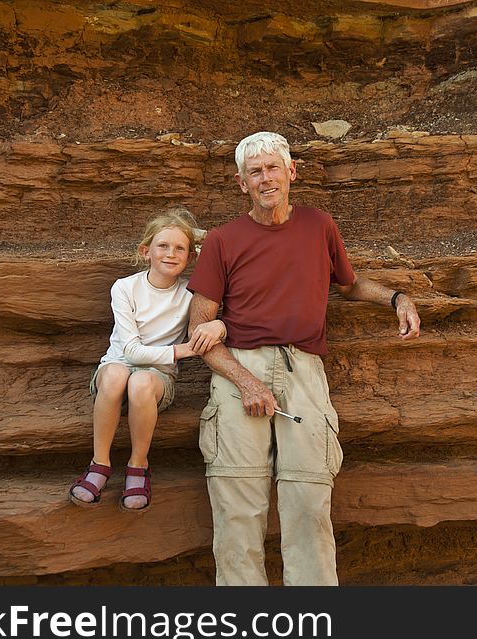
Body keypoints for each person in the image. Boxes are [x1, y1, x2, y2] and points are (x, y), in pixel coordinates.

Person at [186, 131, 421, 585]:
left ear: (291, 172)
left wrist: (397, 298)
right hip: (240, 371)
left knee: (309, 502)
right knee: (238, 507)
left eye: (274, 167)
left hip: (304, 372)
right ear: (241, 183)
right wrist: (246, 382)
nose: (266, 178)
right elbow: (201, 330)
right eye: (255, 172)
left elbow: (348, 285)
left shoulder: (319, 226)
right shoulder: (222, 239)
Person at [68, 207, 226, 512]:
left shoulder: (191, 295)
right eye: (162, 246)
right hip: (116, 366)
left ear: (192, 257)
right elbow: (131, 352)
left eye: (181, 248)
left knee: (140, 381)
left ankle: (138, 465)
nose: (171, 253)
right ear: (146, 251)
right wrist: (182, 350)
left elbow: (222, 246)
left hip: (156, 377)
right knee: (117, 375)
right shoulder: (125, 288)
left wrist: (220, 324)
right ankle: (99, 463)